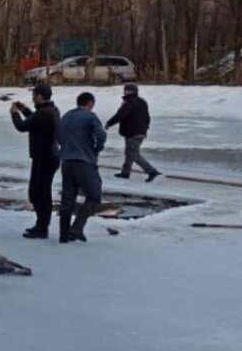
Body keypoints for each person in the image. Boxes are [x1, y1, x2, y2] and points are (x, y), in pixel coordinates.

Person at [11, 83, 62, 239]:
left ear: (40, 97)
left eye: (34, 96)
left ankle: (42, 227)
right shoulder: (50, 110)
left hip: (45, 157)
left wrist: (14, 114)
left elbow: (22, 126)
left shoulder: (44, 113)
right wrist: (24, 109)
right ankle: (41, 225)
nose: (33, 98)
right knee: (38, 192)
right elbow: (34, 119)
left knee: (39, 194)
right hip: (46, 156)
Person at [57, 92, 107, 243]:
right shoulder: (90, 116)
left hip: (67, 161)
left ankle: (63, 234)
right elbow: (101, 135)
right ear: (90, 103)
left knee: (67, 198)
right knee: (94, 196)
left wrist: (66, 148)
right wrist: (97, 148)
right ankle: (77, 228)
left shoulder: (66, 117)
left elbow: (58, 135)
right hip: (84, 162)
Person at [107, 83, 160, 183]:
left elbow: (121, 115)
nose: (124, 91)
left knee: (133, 154)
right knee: (129, 152)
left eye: (126, 90)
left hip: (132, 132)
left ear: (131, 91)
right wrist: (145, 128)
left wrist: (109, 123)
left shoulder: (129, 102)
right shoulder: (142, 102)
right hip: (140, 131)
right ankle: (125, 172)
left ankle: (152, 171)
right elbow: (147, 117)